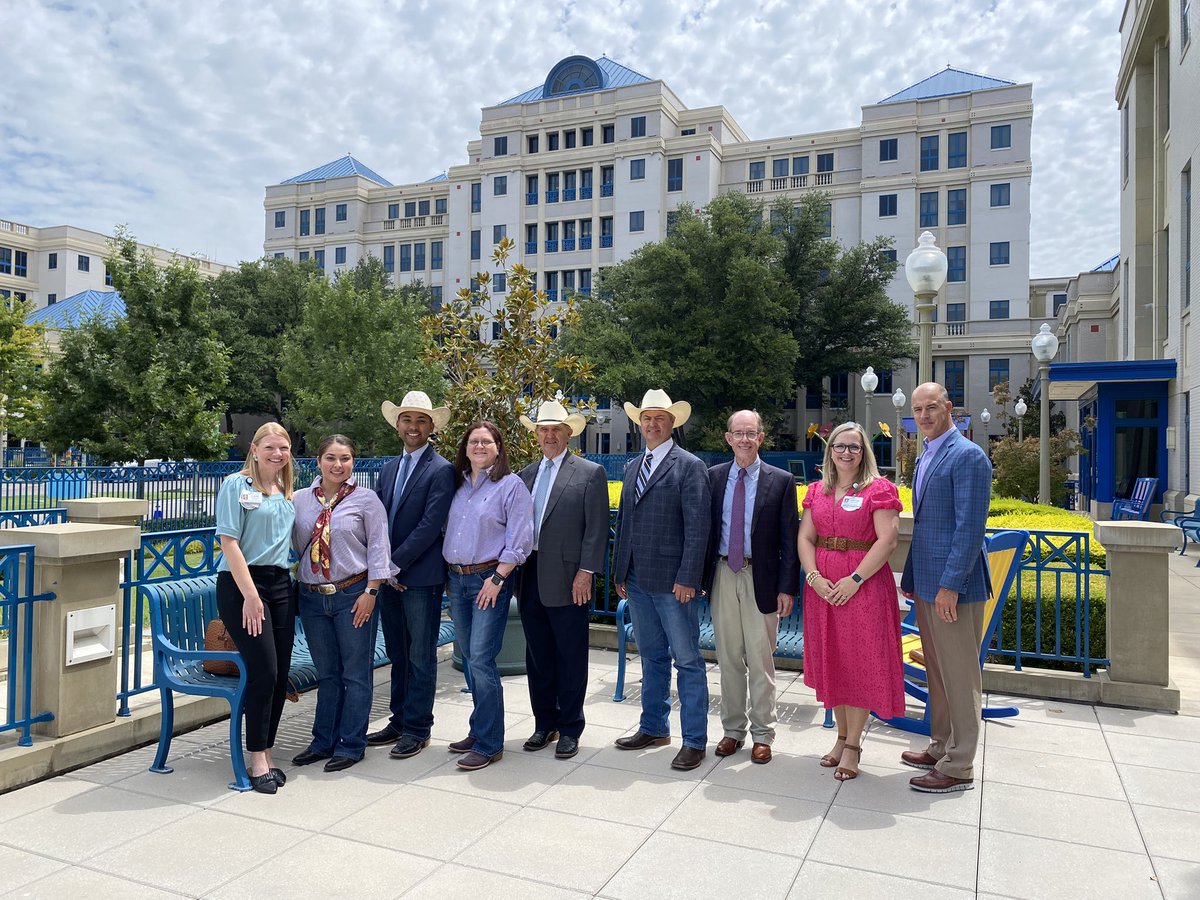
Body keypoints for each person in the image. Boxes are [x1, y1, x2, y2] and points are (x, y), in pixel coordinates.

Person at [900, 382, 993, 793]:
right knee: (937, 671)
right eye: (917, 409)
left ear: (949, 408)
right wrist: (913, 580)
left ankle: (959, 766)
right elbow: (925, 526)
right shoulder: (927, 455)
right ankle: (941, 745)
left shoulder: (969, 457)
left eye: (931, 407)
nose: (923, 415)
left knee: (959, 676)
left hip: (953, 589)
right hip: (927, 584)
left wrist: (949, 586)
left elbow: (969, 529)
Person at [612, 389, 711, 771]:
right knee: (651, 656)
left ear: (672, 424)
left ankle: (694, 741)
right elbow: (626, 524)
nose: (652, 425)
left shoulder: (689, 466)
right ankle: (654, 727)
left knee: (687, 661)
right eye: (647, 418)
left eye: (660, 419)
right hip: (636, 579)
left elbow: (698, 527)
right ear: (640, 423)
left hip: (674, 583)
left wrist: (689, 577)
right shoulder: (633, 465)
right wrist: (622, 572)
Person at [798, 421, 903, 781]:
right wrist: (813, 577)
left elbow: (887, 540)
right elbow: (806, 537)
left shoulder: (879, 489)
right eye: (839, 446)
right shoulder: (816, 491)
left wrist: (855, 579)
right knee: (835, 661)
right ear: (829, 451)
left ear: (864, 453)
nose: (846, 452)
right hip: (823, 588)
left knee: (859, 663)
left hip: (864, 587)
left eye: (853, 447)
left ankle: (854, 746)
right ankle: (841, 738)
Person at [290, 435, 393, 773]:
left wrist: (372, 592)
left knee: (355, 673)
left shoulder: (366, 500)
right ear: (318, 460)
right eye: (331, 458)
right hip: (312, 597)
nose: (338, 465)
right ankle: (323, 742)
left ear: (354, 462)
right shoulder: (300, 500)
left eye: (345, 458)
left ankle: (351, 744)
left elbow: (379, 548)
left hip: (353, 595)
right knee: (328, 674)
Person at [702, 410, 799, 765]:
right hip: (724, 573)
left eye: (751, 433)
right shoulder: (712, 478)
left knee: (760, 660)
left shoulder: (782, 481)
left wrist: (787, 588)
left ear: (760, 437)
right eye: (738, 433)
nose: (744, 439)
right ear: (728, 438)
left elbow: (790, 539)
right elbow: (705, 532)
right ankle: (732, 731)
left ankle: (762, 733)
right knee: (728, 657)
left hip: (763, 579)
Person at [516, 399, 610, 760]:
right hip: (529, 576)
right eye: (544, 429)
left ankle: (571, 727)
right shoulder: (525, 475)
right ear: (536, 434)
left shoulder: (589, 472)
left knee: (570, 656)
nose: (550, 435)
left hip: (570, 578)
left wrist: (586, 572)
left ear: (569, 433)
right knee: (538, 656)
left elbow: (597, 529)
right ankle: (545, 724)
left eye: (556, 429)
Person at [366, 392, 455, 760]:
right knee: (398, 654)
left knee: (421, 655)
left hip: (419, 578)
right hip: (389, 578)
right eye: (407, 420)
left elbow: (430, 525)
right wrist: (382, 568)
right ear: (398, 425)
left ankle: (419, 729)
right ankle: (399, 719)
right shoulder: (387, 469)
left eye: (421, 421)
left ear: (432, 427)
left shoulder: (442, 469)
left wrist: (392, 565)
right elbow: (376, 523)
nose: (413, 427)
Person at [443, 421, 534, 771]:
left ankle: (490, 743)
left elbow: (520, 539)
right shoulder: (458, 484)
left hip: (489, 579)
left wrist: (498, 578)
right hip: (458, 580)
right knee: (468, 656)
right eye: (473, 441)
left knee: (481, 657)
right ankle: (479, 727)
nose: (479, 446)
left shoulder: (511, 486)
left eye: (487, 441)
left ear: (498, 447)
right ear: (465, 447)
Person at [214, 422, 296, 795]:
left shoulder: (287, 490)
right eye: (271, 448)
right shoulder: (237, 485)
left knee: (279, 675)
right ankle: (257, 757)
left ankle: (267, 748)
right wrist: (250, 596)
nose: (277, 454)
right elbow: (229, 542)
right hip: (243, 585)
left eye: (284, 448)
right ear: (255, 448)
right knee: (263, 671)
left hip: (281, 585)